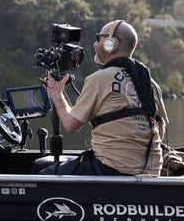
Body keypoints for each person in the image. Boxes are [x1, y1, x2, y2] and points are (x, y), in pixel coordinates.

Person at [42, 19, 167, 176]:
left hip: (113, 168)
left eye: (98, 38)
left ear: (111, 43)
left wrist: (56, 94)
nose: (95, 45)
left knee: (42, 173)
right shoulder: (150, 83)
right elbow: (160, 129)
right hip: (152, 170)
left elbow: (70, 125)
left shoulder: (100, 78)